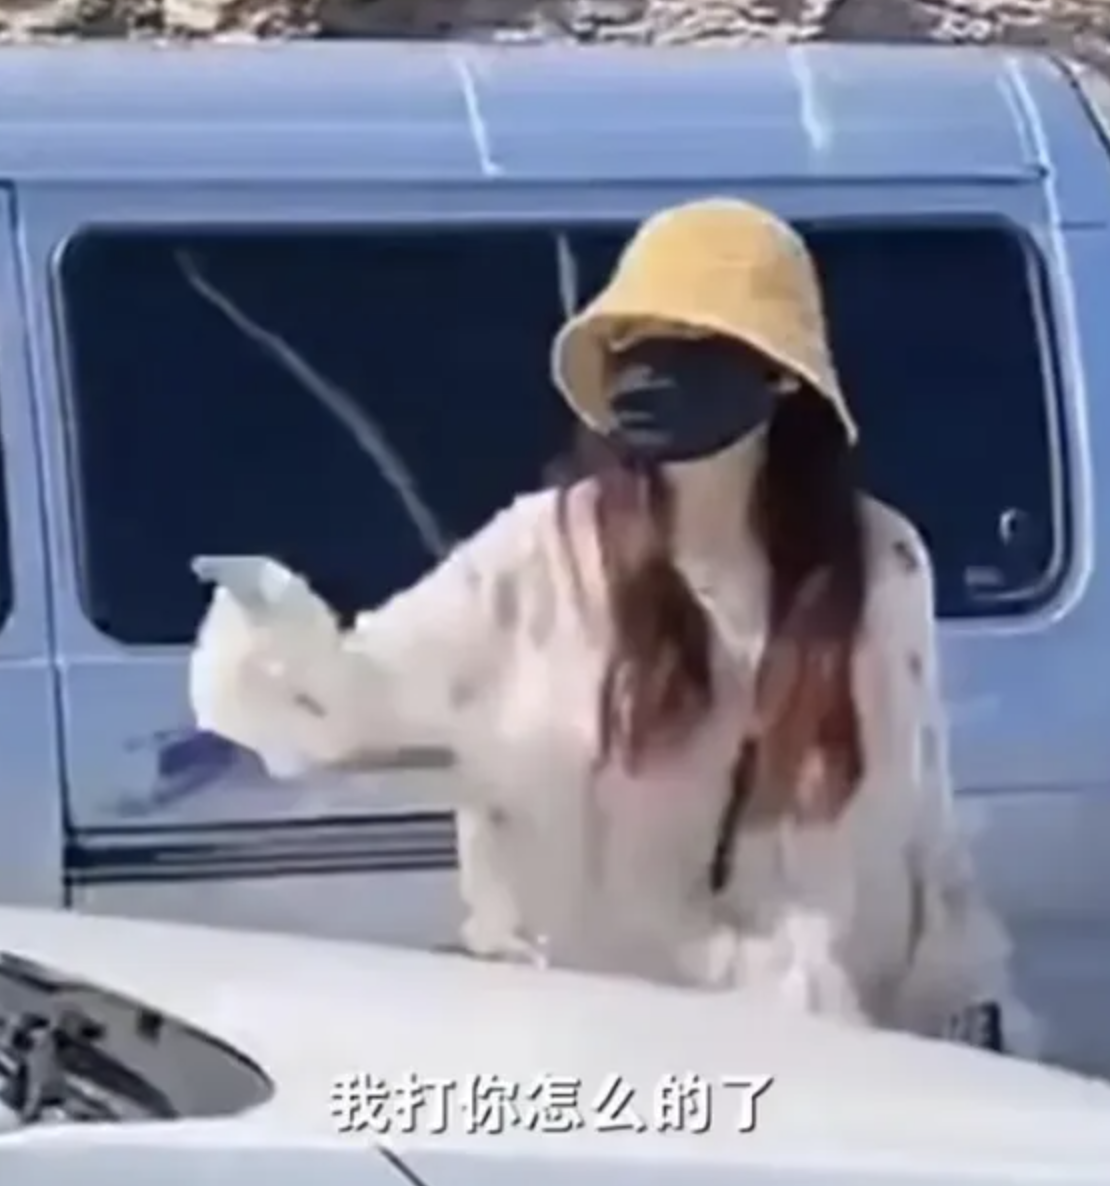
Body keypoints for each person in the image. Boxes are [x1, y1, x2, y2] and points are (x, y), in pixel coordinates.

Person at [189, 198, 1038, 1054]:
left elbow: (920, 831)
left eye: (692, 337)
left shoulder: (878, 561)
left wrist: (970, 1001)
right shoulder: (541, 554)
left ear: (781, 372)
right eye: (633, 339)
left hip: (827, 1065)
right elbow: (353, 704)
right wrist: (275, 632)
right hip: (603, 1060)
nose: (653, 366)